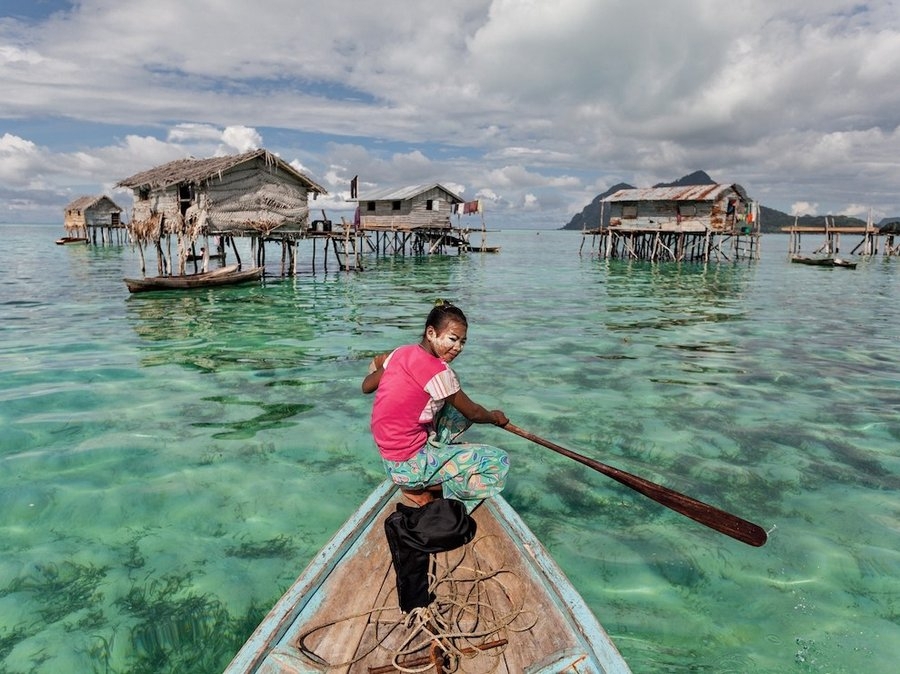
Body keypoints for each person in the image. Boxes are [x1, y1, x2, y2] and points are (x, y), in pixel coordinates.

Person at [362, 300, 510, 513]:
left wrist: (378, 366)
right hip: (408, 467)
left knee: (451, 406)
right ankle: (423, 487)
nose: (458, 347)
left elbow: (366, 387)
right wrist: (495, 417)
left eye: (462, 342)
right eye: (452, 339)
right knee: (499, 462)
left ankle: (426, 467)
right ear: (431, 333)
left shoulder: (400, 353)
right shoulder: (440, 373)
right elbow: (474, 413)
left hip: (389, 459)